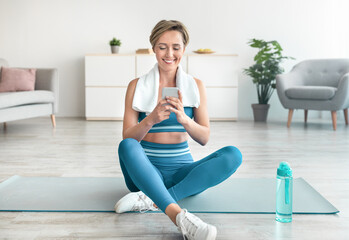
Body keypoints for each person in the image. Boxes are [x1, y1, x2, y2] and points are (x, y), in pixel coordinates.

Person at [115, 20, 242, 240]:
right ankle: (178, 217)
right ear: (153, 48)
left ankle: (151, 200)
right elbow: (127, 137)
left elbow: (204, 138)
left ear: (184, 49)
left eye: (176, 47)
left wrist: (185, 119)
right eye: (162, 47)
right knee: (127, 145)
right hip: (144, 173)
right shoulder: (136, 86)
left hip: (182, 173)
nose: (169, 53)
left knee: (233, 155)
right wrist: (150, 120)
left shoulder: (196, 86)